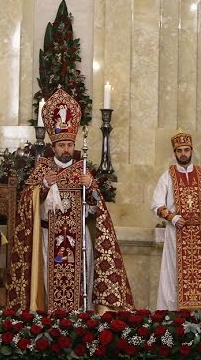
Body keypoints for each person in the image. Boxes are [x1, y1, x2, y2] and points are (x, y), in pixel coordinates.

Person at [8, 89, 133, 312]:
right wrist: (44, 186)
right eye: (61, 145)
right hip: (49, 237)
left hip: (78, 239)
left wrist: (91, 187)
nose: (66, 150)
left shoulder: (82, 170)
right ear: (53, 146)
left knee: (80, 286)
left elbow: (96, 209)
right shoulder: (42, 169)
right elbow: (26, 206)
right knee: (49, 286)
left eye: (69, 145)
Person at [150, 131, 201, 310]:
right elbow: (156, 204)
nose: (183, 154)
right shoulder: (167, 176)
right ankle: (173, 316)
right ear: (174, 153)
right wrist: (172, 217)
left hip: (200, 233)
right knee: (174, 274)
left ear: (192, 151)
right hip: (176, 232)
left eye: (186, 150)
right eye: (179, 150)